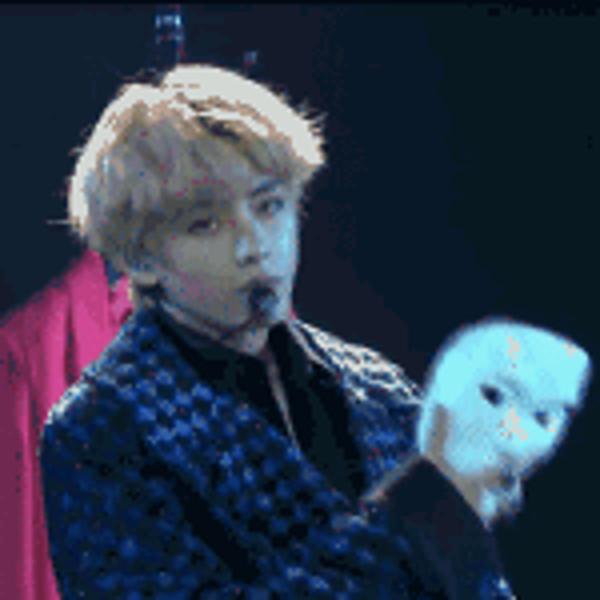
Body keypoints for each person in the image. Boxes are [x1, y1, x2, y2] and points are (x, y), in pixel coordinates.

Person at [38, 63, 515, 598]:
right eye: (205, 224)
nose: (254, 246)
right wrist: (422, 509)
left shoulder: (376, 384)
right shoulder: (100, 427)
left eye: (269, 206)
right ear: (139, 259)